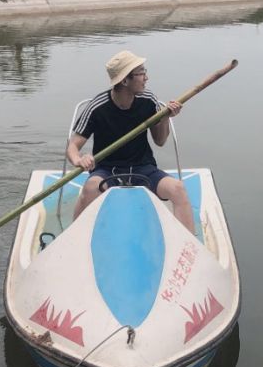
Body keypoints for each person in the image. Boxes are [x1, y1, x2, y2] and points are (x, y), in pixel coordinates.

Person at [67, 50, 194, 232]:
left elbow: (159, 141)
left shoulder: (148, 100)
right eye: (141, 73)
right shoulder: (97, 107)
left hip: (143, 167)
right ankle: (76, 237)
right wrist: (79, 160)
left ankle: (188, 244)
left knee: (178, 189)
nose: (146, 77)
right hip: (107, 170)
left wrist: (165, 118)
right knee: (90, 187)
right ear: (125, 81)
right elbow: (73, 146)